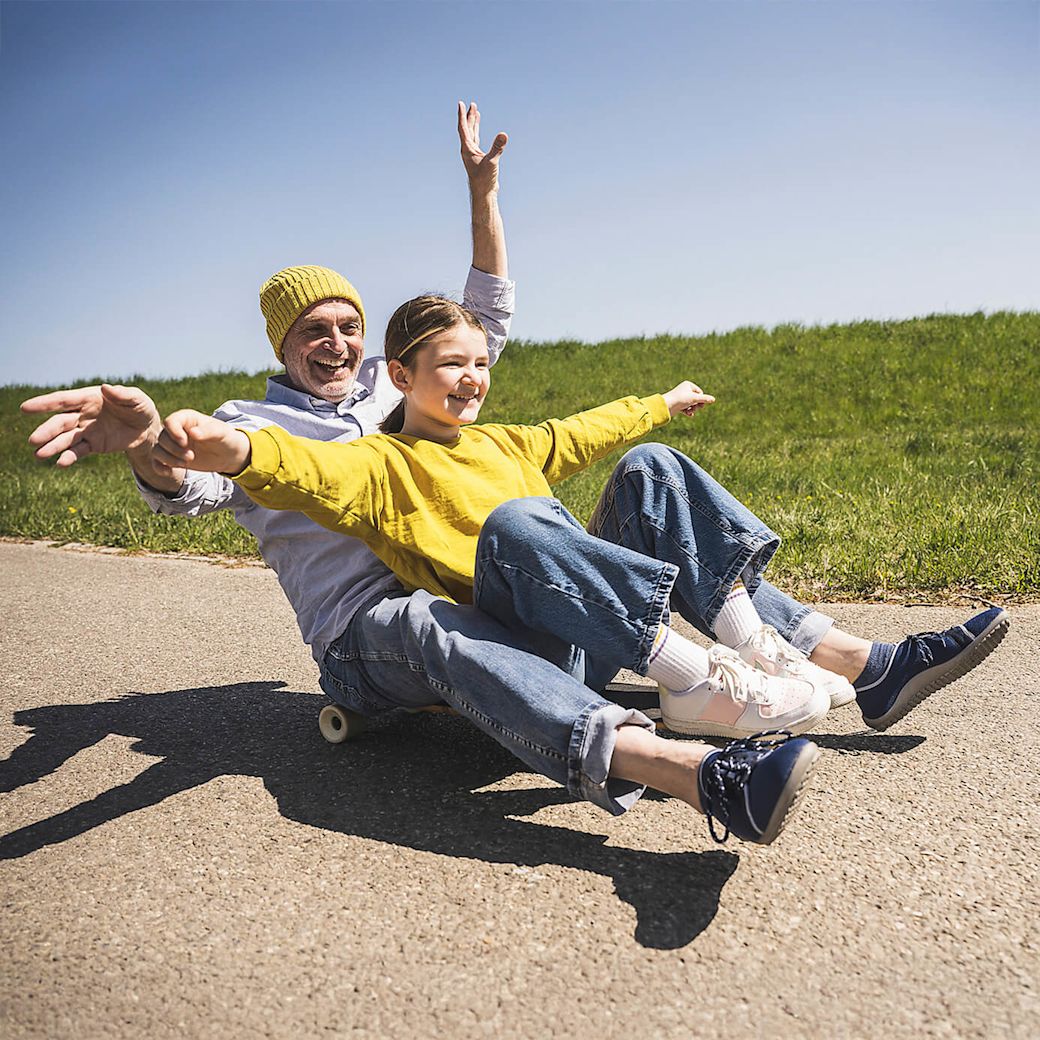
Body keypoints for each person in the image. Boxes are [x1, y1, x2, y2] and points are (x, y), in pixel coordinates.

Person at [21, 103, 1008, 840]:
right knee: (423, 609)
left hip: (485, 582)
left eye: (347, 325)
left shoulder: (400, 388)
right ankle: (696, 771)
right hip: (374, 633)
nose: (335, 342)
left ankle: (855, 665)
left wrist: (483, 194)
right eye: (312, 331)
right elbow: (204, 473)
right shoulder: (258, 421)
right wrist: (157, 437)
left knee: (644, 474)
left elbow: (482, 327)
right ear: (282, 343)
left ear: (379, 348)